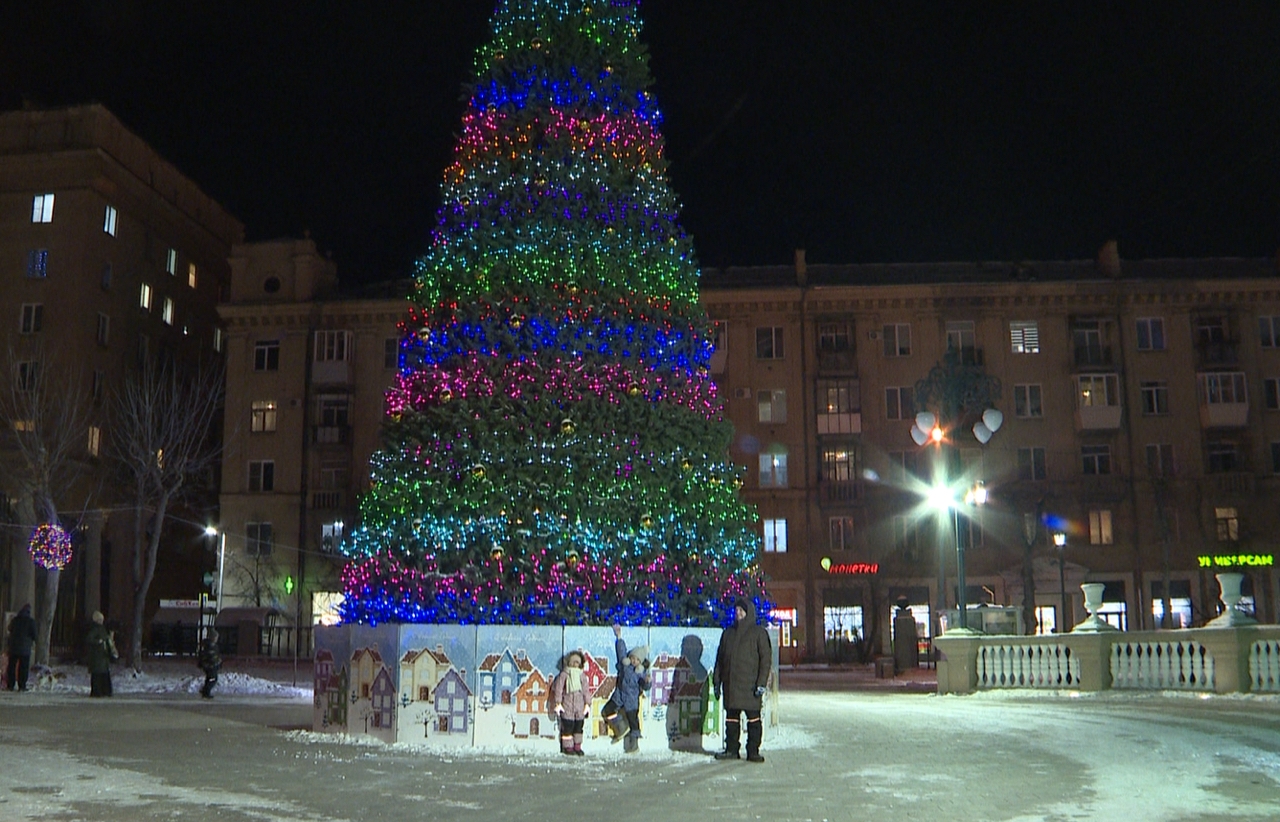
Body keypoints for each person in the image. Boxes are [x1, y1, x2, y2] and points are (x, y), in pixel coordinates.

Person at [713, 598, 772, 763]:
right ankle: (731, 749)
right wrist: (717, 681)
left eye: (742, 610)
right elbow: (720, 659)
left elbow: (765, 660)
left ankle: (753, 751)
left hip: (750, 687)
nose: (738, 613)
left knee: (753, 720)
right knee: (731, 720)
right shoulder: (728, 633)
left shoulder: (758, 633)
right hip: (731, 686)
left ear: (749, 612)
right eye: (737, 610)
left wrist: (761, 683)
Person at [602, 624, 649, 754]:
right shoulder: (625, 665)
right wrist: (619, 637)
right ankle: (621, 727)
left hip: (632, 701)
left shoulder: (641, 673)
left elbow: (645, 687)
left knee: (634, 722)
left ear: (640, 662)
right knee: (608, 710)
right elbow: (621, 651)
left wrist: (647, 682)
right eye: (633, 658)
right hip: (619, 695)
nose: (634, 661)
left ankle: (634, 746)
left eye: (637, 660)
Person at [549, 649, 590, 755]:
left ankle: (577, 746)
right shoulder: (564, 674)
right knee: (568, 726)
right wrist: (558, 702)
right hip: (567, 704)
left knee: (578, 727)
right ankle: (568, 747)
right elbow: (558, 688)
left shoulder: (582, 675)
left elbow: (586, 690)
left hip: (579, 705)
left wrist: (587, 703)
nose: (575, 664)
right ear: (569, 662)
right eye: (573, 662)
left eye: (577, 662)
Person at [5, 604, 36, 691]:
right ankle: (22, 685)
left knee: (11, 666)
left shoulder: (15, 620)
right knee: (23, 667)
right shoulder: (31, 621)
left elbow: (9, 628)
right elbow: (34, 634)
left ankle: (10, 685)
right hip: (25, 649)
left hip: (13, 647)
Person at [85, 611, 116, 697]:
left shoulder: (101, 629)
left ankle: (102, 691)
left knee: (101, 674)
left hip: (102, 656)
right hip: (98, 656)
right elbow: (89, 639)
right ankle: (101, 691)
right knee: (99, 675)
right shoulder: (96, 629)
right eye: (100, 619)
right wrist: (98, 642)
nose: (101, 621)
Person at [197, 629, 222, 699]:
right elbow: (212, 656)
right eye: (216, 637)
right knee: (213, 678)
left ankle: (205, 691)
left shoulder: (207, 645)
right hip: (210, 665)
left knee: (209, 678)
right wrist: (217, 662)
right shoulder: (211, 646)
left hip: (207, 665)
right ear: (213, 637)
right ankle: (206, 691)